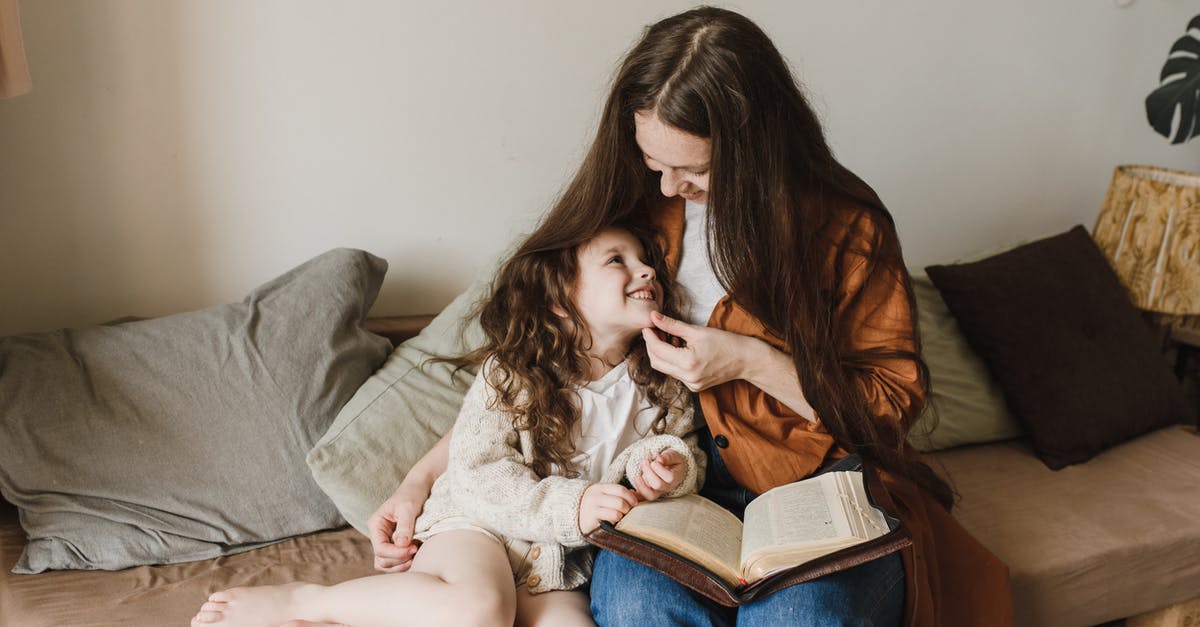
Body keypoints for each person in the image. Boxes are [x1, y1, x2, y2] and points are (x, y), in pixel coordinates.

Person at [371, 6, 1014, 626]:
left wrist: (748, 360)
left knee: (803, 617)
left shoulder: (846, 227)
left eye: (695, 169)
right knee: (638, 609)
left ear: (756, 150)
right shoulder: (638, 218)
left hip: (817, 477)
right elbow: (538, 377)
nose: (668, 188)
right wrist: (417, 483)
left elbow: (888, 408)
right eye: (655, 162)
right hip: (668, 477)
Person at [190, 225, 704, 627]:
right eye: (619, 260)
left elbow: (679, 447)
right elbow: (477, 471)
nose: (646, 272)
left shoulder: (664, 379)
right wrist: (574, 504)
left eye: (647, 261)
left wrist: (664, 467)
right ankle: (310, 600)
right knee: (477, 610)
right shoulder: (515, 372)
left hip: (556, 556)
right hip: (479, 524)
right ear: (559, 300)